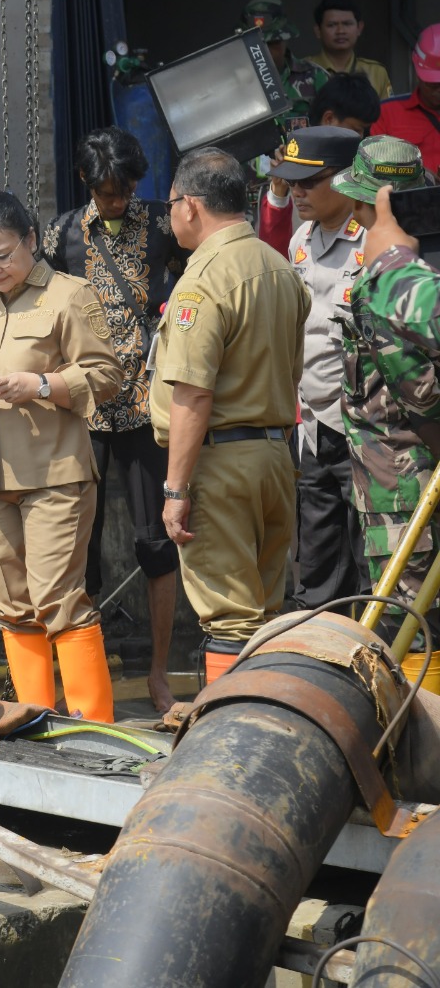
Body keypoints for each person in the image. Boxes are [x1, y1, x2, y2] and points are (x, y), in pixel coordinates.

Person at [0, 191, 124, 721]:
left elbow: (107, 375)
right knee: (12, 605)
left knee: (59, 599)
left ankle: (93, 727)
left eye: (2, 255)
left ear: (31, 241)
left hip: (54, 474)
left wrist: (40, 384)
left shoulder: (69, 296)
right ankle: (32, 721)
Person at [39, 127, 186, 712]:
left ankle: (159, 672)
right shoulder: (61, 235)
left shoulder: (164, 224)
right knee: (82, 543)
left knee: (156, 542)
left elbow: (198, 279)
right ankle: (85, 676)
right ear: (85, 182)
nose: (118, 200)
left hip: (148, 407)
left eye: (125, 190)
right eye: (107, 192)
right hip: (84, 411)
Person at [151, 148, 311, 682]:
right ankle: (268, 714)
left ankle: (233, 727)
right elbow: (292, 372)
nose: (171, 215)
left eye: (171, 204)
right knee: (265, 610)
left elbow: (193, 395)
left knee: (230, 616)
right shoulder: (279, 266)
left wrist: (176, 489)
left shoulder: (203, 280)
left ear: (190, 206)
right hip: (274, 456)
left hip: (220, 464)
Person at [334, 136, 435, 642]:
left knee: (408, 628)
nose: (353, 214)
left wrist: (388, 266)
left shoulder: (391, 277)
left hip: (405, 491)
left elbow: (421, 392)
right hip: (399, 488)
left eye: (360, 203)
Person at [267, 126, 368, 613]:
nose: (298, 193)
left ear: (346, 179)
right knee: (318, 559)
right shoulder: (301, 240)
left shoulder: (374, 238)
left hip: (366, 426)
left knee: (372, 558)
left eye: (309, 182)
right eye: (291, 183)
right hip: (312, 424)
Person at [256, 73, 382, 254]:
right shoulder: (298, 235)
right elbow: (273, 259)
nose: (298, 191)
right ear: (329, 119)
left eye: (309, 180)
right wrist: (278, 194)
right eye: (294, 180)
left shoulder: (366, 179)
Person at [242, 0, 329, 134]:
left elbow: (334, 129)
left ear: (285, 40)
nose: (263, 51)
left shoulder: (316, 77)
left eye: (272, 43)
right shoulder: (229, 82)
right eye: (255, 45)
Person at [370, 24, 440, 175]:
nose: (438, 91)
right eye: (432, 84)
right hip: (408, 190)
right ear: (417, 73)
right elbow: (374, 167)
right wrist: (417, 174)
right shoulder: (386, 113)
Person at [306, 0, 393, 99]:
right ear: (318, 31)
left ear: (359, 28)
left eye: (347, 24)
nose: (340, 31)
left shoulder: (376, 72)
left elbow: (388, 109)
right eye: (332, 25)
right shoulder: (300, 72)